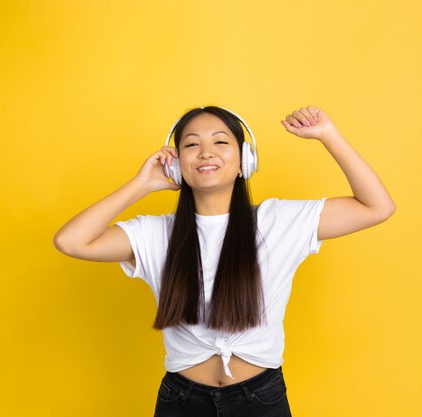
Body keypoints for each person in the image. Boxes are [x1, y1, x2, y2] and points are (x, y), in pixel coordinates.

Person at [53, 104, 396, 417]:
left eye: (220, 142)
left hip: (261, 399)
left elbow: (377, 207)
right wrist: (141, 184)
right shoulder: (156, 234)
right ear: (175, 164)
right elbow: (70, 241)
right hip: (181, 402)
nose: (205, 152)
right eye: (190, 144)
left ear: (245, 160)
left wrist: (328, 135)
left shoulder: (279, 221)